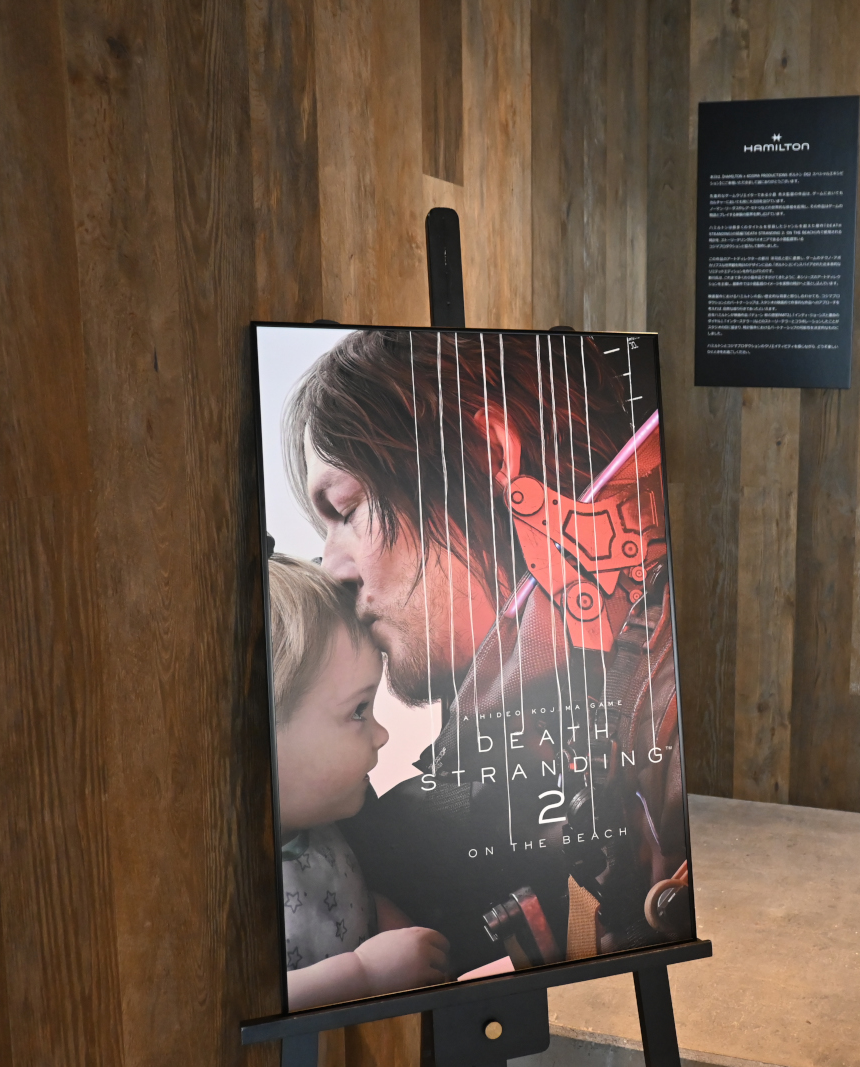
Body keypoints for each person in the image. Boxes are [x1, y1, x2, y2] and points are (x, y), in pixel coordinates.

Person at [284, 330, 691, 977]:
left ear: (492, 452)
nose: (333, 567)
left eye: (347, 508)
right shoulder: (547, 704)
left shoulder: (662, 707)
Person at [268, 553, 450, 1009]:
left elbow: (341, 893)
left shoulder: (326, 829)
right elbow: (247, 1000)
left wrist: (382, 917)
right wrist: (365, 974)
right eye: (357, 711)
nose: (382, 734)